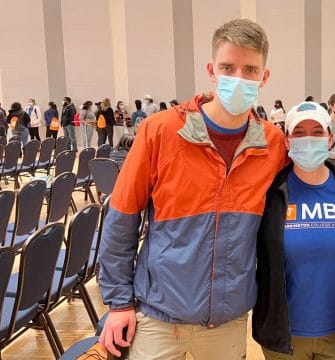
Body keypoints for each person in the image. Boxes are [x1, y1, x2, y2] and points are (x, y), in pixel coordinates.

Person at [98, 18, 287, 359]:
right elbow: (122, 218)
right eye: (228, 67)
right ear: (212, 70)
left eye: (250, 69)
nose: (238, 78)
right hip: (156, 318)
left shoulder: (273, 145)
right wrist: (118, 302)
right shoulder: (160, 131)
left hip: (226, 322)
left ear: (265, 76)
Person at [253, 101, 335, 360]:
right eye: (299, 132)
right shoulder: (269, 193)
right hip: (283, 338)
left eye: (317, 132)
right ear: (286, 140)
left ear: (329, 139)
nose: (308, 139)